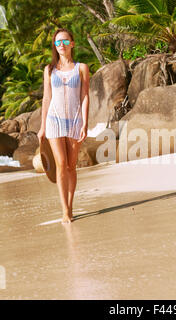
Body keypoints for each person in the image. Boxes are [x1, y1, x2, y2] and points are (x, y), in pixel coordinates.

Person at [37, 28, 90, 223]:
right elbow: (46, 99)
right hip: (54, 121)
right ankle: (65, 210)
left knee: (70, 166)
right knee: (60, 164)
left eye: (65, 41)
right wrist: (42, 127)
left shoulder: (81, 68)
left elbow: (85, 96)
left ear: (72, 44)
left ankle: (71, 204)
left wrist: (85, 122)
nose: (61, 45)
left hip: (75, 120)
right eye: (58, 42)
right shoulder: (49, 70)